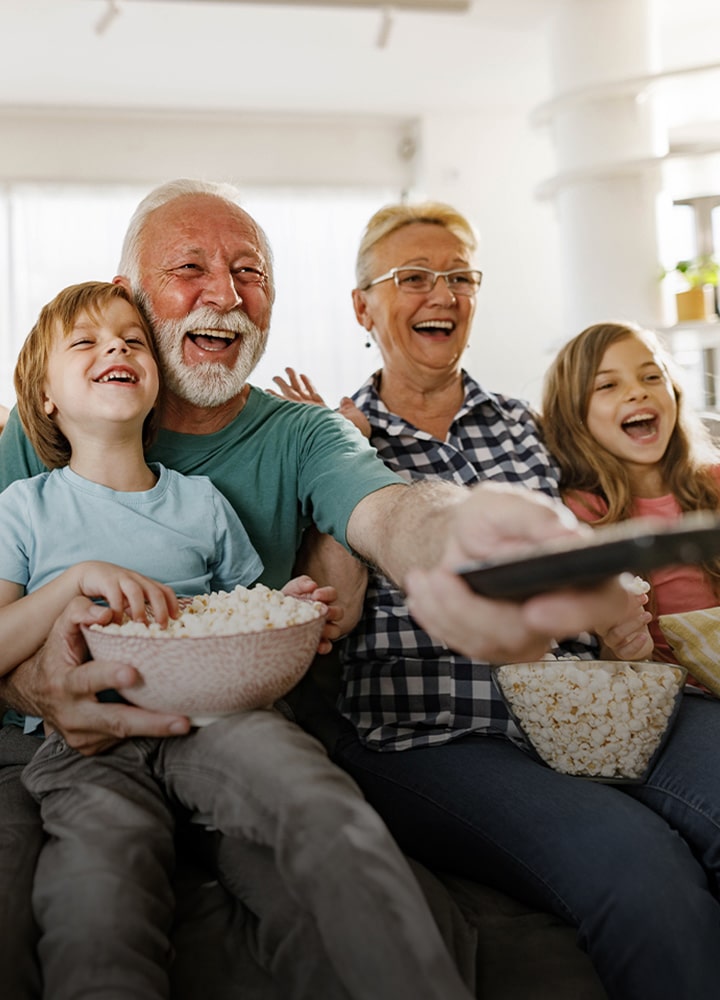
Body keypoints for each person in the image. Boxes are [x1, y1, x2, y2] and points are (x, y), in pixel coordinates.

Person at [0, 181, 632, 1000]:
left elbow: (389, 512)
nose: (225, 294)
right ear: (129, 296)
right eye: (190, 267)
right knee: (68, 892)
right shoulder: (36, 446)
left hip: (229, 726)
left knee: (345, 860)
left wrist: (464, 535)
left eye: (250, 272)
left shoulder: (293, 441)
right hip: (61, 747)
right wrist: (38, 680)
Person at [270, 201, 720, 1000]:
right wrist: (346, 460)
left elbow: (620, 479)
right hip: (436, 734)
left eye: (459, 277)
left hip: (588, 705)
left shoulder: (523, 424)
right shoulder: (327, 437)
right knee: (639, 868)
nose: (441, 293)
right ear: (362, 308)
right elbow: (326, 620)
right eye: (413, 277)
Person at [3, 279, 400, 1000]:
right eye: (85, 343)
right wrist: (71, 584)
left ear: (154, 382)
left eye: (129, 339)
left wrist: (292, 607)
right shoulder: (25, 509)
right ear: (46, 395)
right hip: (91, 739)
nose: (115, 348)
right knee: (98, 884)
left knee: (319, 806)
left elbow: (241, 609)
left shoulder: (201, 503)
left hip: (219, 720)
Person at [541, 319, 720, 664]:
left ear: (675, 395)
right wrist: (621, 650)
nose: (638, 391)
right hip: (678, 693)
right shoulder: (582, 514)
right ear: (574, 414)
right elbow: (607, 652)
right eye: (607, 384)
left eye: (652, 377)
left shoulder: (714, 481)